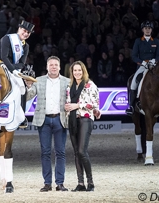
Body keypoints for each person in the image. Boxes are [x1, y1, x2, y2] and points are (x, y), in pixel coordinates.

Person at [25, 56, 70, 192]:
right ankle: (47, 183)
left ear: (60, 67)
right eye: (51, 65)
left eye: (56, 65)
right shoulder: (39, 80)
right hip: (43, 120)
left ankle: (60, 183)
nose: (54, 67)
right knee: (45, 152)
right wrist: (28, 87)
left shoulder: (67, 82)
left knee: (60, 152)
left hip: (60, 119)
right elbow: (28, 97)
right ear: (47, 67)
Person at [65, 60, 100, 192]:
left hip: (85, 119)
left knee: (81, 151)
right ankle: (80, 183)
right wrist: (67, 106)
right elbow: (68, 102)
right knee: (76, 153)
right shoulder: (70, 86)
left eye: (79, 70)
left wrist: (77, 105)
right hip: (73, 119)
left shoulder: (90, 85)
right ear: (72, 72)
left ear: (83, 71)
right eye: (75, 70)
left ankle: (90, 182)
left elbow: (94, 103)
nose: (77, 72)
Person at [125, 20, 159, 115]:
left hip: (153, 66)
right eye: (146, 28)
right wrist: (142, 62)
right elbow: (134, 56)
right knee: (134, 82)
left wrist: (154, 61)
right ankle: (131, 106)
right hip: (142, 66)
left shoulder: (156, 41)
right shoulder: (138, 41)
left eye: (149, 28)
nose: (147, 30)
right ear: (143, 30)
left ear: (151, 30)